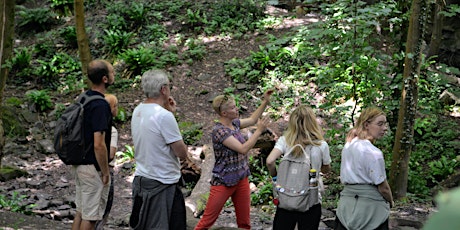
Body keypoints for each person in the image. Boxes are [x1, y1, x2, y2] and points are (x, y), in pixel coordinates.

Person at [194, 90, 273, 230]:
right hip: (224, 181)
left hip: (241, 178)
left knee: (245, 223)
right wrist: (259, 131)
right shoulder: (220, 131)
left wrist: (265, 101)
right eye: (233, 107)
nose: (236, 109)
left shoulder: (235, 124)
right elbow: (243, 148)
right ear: (224, 113)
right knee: (207, 221)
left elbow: (253, 120)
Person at [129, 69, 188, 230]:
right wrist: (171, 115)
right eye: (168, 86)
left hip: (143, 178)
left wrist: (169, 112)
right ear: (163, 89)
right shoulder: (163, 116)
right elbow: (181, 153)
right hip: (163, 182)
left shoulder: (138, 110)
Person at [266, 105, 332, 230]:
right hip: (311, 200)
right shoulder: (321, 145)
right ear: (312, 123)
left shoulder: (285, 141)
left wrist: (275, 178)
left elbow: (270, 161)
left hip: (286, 198)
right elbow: (326, 169)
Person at [71, 59, 115, 230]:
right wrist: (105, 172)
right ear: (104, 79)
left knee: (81, 212)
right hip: (91, 168)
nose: (114, 75)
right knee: (91, 217)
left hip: (79, 163)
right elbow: (99, 144)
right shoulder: (100, 105)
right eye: (111, 72)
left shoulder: (83, 98)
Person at [334, 107, 394, 230]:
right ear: (366, 125)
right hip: (370, 208)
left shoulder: (349, 145)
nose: (384, 128)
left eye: (385, 124)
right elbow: (383, 188)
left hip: (346, 206)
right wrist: (391, 201)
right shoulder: (373, 153)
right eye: (380, 124)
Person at [95, 93, 119, 230]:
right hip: (105, 169)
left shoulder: (94, 125)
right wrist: (106, 172)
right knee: (103, 208)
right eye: (116, 106)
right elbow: (111, 153)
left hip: (89, 168)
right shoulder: (111, 130)